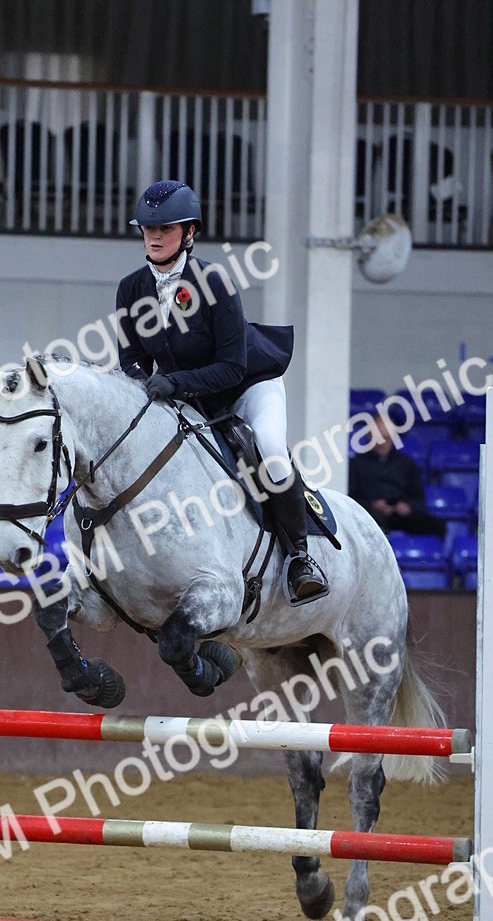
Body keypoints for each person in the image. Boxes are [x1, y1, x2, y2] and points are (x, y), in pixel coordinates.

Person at [115, 178, 328, 604]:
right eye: (149, 229)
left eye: (166, 228)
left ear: (189, 233)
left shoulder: (216, 283)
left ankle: (300, 559)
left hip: (247, 386)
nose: (154, 236)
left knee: (269, 449)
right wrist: (142, 385)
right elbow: (131, 357)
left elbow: (233, 366)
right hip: (188, 396)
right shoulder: (131, 288)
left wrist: (174, 383)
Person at [349, 413, 447, 537]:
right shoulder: (356, 463)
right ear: (370, 435)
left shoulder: (407, 463)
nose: (382, 442)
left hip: (400, 516)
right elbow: (350, 497)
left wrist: (408, 506)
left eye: (386, 437)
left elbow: (419, 498)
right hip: (370, 516)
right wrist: (371, 505)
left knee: (436, 525)